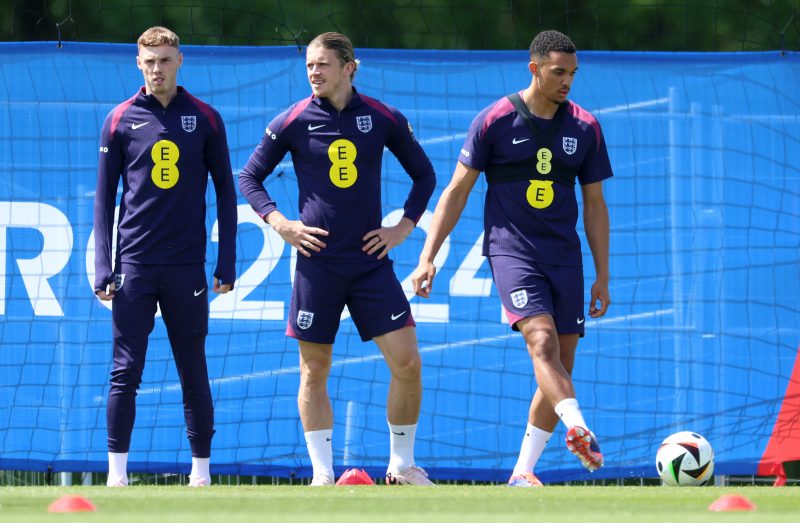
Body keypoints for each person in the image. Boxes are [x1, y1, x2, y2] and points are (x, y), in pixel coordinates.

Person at [410, 30, 611, 487]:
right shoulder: (496, 119)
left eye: (573, 74)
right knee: (540, 343)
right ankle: (577, 424)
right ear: (534, 69)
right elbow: (457, 192)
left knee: (560, 362)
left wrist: (602, 274)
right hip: (512, 250)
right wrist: (428, 256)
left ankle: (522, 472)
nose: (567, 82)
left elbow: (595, 205)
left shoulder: (585, 127)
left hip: (565, 257)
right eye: (559, 72)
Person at [239, 32, 436, 486]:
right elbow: (250, 177)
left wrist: (403, 228)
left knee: (408, 363)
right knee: (314, 369)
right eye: (309, 65)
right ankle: (323, 476)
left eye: (323, 64)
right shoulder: (291, 120)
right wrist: (281, 224)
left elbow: (424, 174)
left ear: (349, 67)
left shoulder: (383, 117)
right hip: (317, 266)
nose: (314, 72)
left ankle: (402, 467)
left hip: (370, 264)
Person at [94, 26, 237, 487]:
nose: (157, 68)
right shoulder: (119, 119)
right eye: (149, 61)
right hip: (134, 265)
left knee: (192, 367)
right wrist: (104, 266)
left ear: (180, 62)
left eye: (165, 60)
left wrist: (226, 261)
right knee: (125, 369)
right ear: (139, 63)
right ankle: (117, 477)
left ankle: (201, 476)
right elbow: (103, 201)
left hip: (187, 267)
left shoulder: (206, 118)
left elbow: (228, 195)